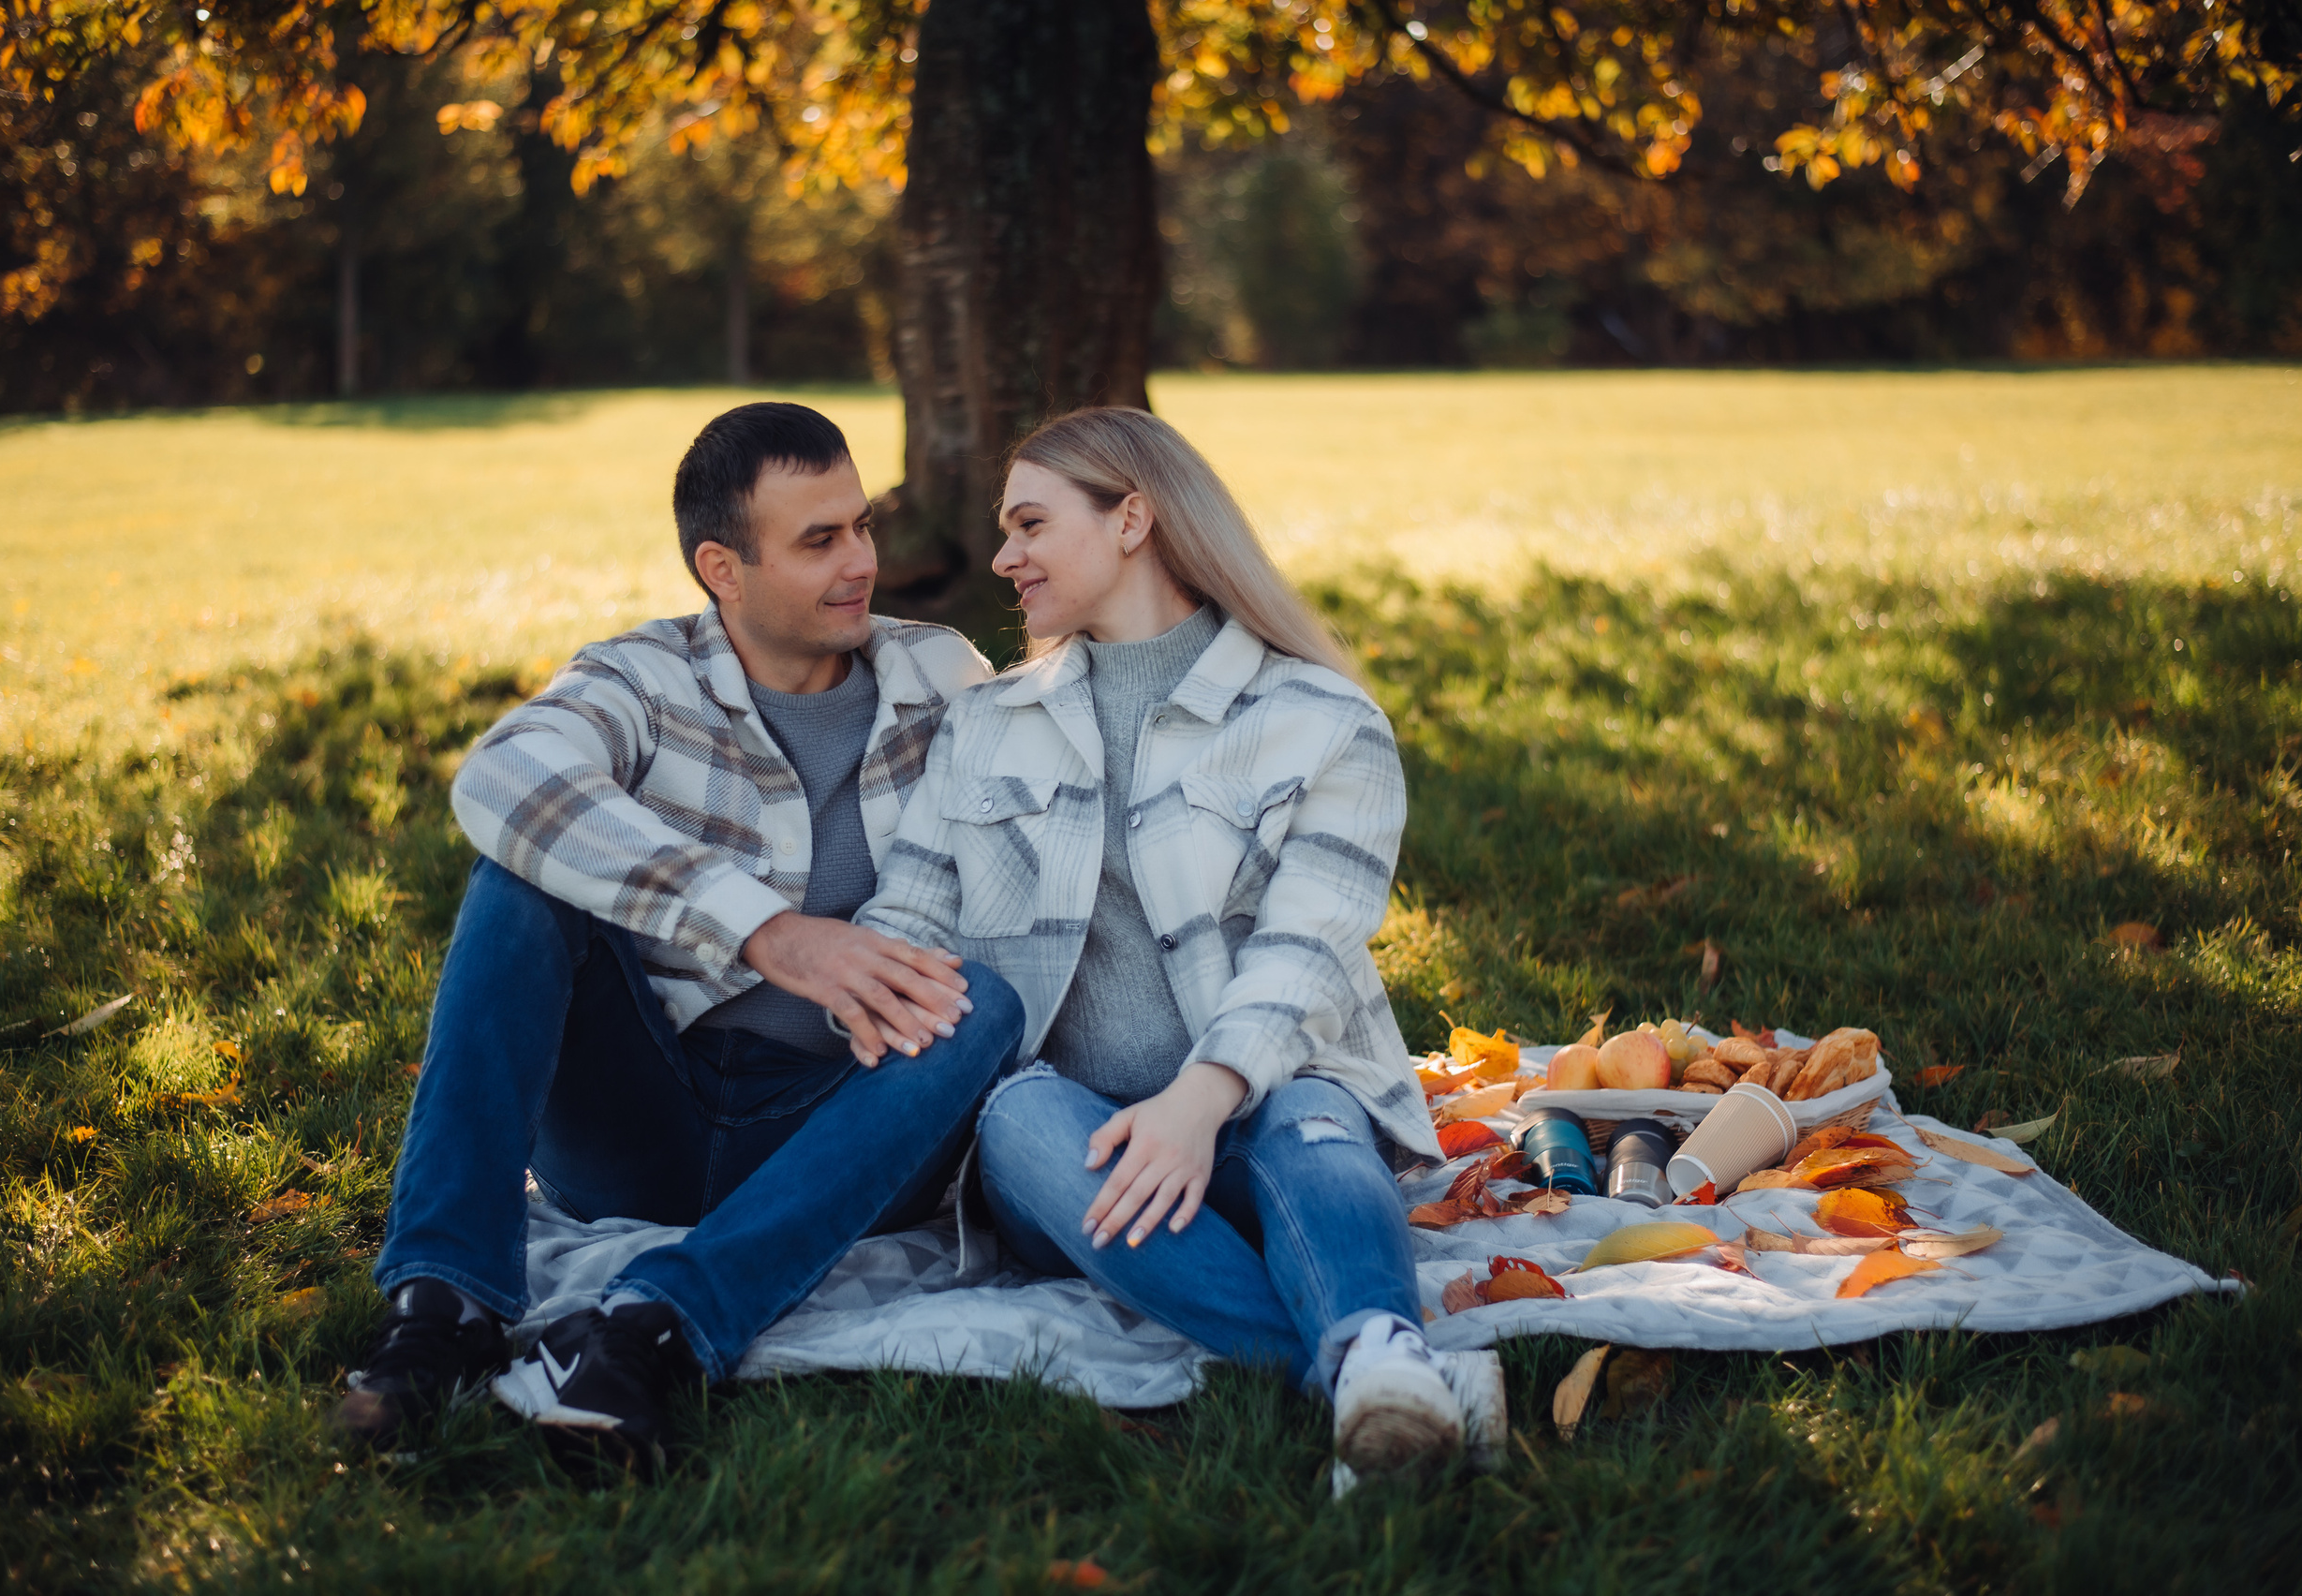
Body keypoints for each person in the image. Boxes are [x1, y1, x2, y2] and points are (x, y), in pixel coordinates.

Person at [334, 402, 1025, 1470]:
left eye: (860, 527)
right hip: (644, 1121)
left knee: (990, 1001)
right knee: (520, 877)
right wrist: (768, 933)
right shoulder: (641, 677)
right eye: (817, 541)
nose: (860, 565)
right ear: (722, 568)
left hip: (843, 1128)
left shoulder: (941, 675)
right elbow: (502, 778)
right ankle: (443, 1310)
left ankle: (654, 1328)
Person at [854, 406, 1501, 1481]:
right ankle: (1380, 1370)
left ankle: (1371, 1363)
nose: (1003, 557)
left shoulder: (1324, 721)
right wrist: (837, 984)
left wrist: (1201, 1101)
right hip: (1077, 1145)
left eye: (1028, 524)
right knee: (1015, 1112)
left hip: (1257, 1112)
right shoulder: (987, 723)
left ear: (1132, 521)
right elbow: (909, 923)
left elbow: (1305, 953)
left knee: (1311, 1105)